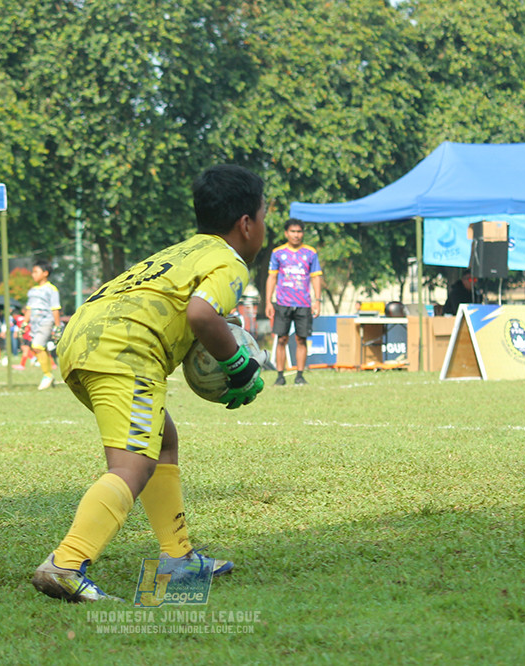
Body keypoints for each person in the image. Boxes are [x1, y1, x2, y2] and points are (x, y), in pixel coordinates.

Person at [31, 164, 267, 603]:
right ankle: (66, 563)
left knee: (162, 440)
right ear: (246, 224)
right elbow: (201, 314)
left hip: (82, 338)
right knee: (131, 467)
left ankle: (178, 558)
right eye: (265, 216)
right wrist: (239, 366)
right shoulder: (229, 263)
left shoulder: (185, 250)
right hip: (125, 350)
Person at [265, 218, 322, 386]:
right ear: (286, 233)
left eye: (299, 232)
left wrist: (317, 300)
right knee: (281, 339)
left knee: (301, 339)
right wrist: (268, 302)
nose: (296, 235)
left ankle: (299, 375)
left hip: (303, 303)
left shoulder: (310, 253)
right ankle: (280, 375)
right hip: (283, 303)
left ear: (303, 233)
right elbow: (272, 277)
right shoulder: (278, 253)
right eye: (293, 231)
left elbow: (316, 277)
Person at [23, 260, 63, 391]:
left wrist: (57, 326)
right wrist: (24, 323)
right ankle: (49, 377)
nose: (33, 274)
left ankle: (47, 375)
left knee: (37, 346)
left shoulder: (51, 289)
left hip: (46, 321)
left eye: (36, 272)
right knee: (40, 349)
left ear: (45, 273)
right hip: (35, 324)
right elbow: (29, 308)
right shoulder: (32, 291)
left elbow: (55, 308)